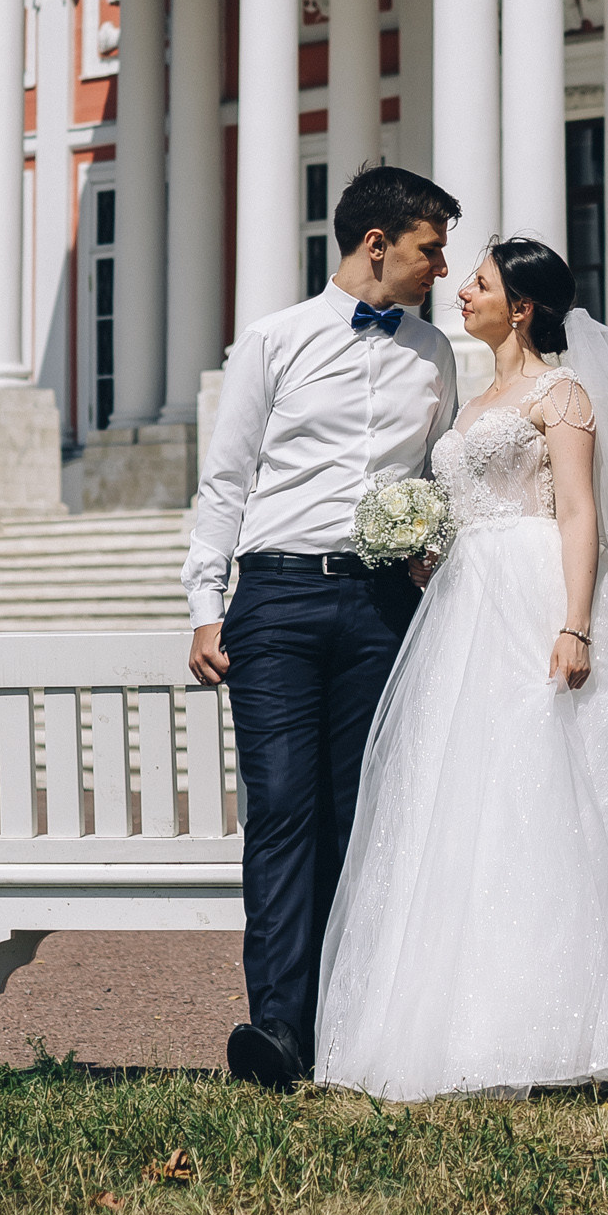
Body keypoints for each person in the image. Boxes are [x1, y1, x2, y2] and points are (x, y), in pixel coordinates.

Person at [314, 233, 608, 1102]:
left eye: (481, 282)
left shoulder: (560, 395)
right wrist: (429, 550)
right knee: (470, 804)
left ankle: (605, 1030)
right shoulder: (474, 400)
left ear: (520, 305)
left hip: (536, 597)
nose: (462, 291)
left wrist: (574, 626)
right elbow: (472, 504)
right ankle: (477, 1031)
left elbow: (578, 513)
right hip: (465, 609)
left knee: (566, 801)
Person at [185, 162, 460, 1092]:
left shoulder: (435, 354)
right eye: (430, 248)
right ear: (376, 245)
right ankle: (277, 1033)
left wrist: (428, 543)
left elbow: (437, 472)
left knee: (362, 817)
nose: (442, 266)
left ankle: (346, 1029)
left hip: (384, 602)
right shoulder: (273, 340)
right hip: (279, 600)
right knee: (285, 810)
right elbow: (224, 481)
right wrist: (203, 607)